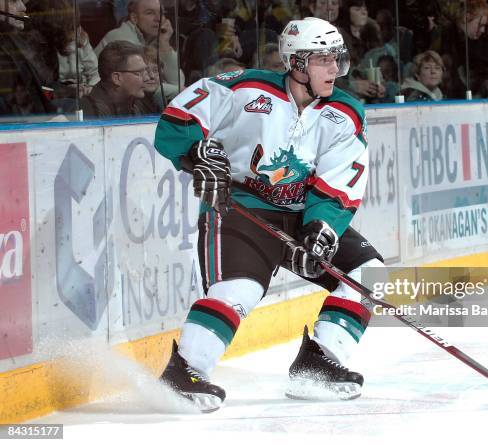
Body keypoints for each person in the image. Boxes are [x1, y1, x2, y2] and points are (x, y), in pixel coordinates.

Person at [154, 16, 384, 412]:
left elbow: (339, 183)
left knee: (369, 275)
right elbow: (179, 117)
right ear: (296, 63)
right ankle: (185, 370)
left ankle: (319, 363)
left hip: (300, 213)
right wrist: (195, 153)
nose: (334, 69)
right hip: (241, 209)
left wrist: (320, 229)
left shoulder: (345, 113)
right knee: (239, 291)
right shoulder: (246, 88)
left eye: (337, 60)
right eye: (323, 60)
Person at [95, 0, 184, 90]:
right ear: (134, 18)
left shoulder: (155, 38)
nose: (158, 18)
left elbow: (178, 80)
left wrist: (164, 45)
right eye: (150, 13)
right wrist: (180, 91)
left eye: (161, 13)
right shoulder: (122, 37)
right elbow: (143, 84)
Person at [81, 40, 150, 117]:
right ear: (116, 78)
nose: (147, 78)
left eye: (145, 70)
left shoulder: (139, 103)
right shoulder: (90, 111)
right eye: (138, 73)